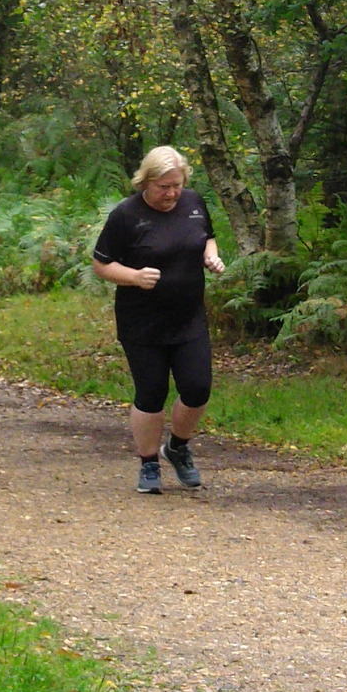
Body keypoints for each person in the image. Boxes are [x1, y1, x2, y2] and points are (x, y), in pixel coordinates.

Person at [91, 145, 226, 494]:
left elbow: (207, 238)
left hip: (188, 317)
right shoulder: (126, 215)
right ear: (146, 182)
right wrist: (134, 277)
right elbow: (101, 264)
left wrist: (211, 257)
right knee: (151, 393)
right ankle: (149, 463)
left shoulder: (194, 203)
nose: (171, 194)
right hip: (142, 322)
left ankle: (177, 448)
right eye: (163, 187)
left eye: (177, 185)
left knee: (197, 388)